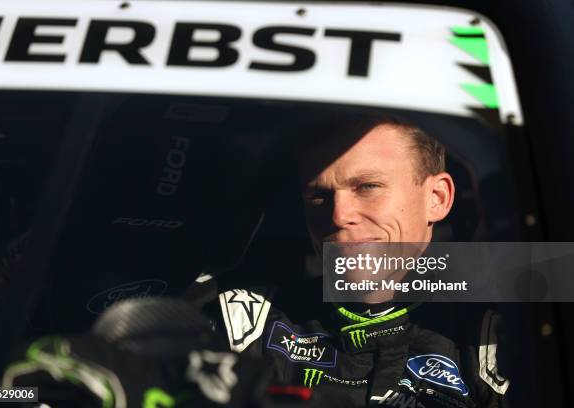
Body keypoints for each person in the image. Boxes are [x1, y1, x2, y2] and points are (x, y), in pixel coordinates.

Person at [210, 116, 511, 407]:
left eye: (367, 187)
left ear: (436, 198)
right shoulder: (248, 324)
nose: (339, 216)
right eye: (318, 195)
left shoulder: (501, 333)